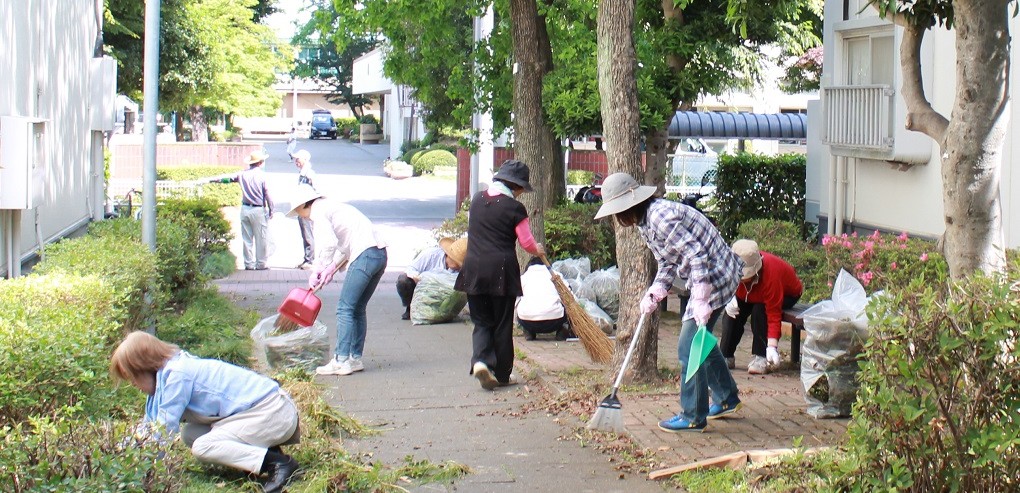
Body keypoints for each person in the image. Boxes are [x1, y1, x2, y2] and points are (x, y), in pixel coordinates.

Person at [593, 172, 743, 432]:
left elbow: (696, 255)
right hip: (707, 275)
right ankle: (727, 397)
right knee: (700, 341)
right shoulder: (645, 223)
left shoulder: (660, 217)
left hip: (715, 276)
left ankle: (693, 416)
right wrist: (656, 291)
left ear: (629, 206)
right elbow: (667, 261)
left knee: (689, 346)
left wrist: (701, 299)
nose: (616, 218)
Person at [109, 331, 300, 493]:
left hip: (273, 412)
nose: (133, 385)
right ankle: (263, 452)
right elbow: (149, 428)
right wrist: (119, 451)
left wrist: (141, 472)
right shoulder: (165, 377)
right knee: (191, 434)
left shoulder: (177, 376)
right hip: (256, 413)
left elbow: (163, 431)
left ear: (145, 367)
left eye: (133, 378)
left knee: (203, 446)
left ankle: (279, 464)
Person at [455, 159, 545, 390]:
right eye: (522, 188)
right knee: (502, 324)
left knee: (481, 321)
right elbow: (526, 242)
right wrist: (538, 249)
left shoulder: (477, 199)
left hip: (473, 269)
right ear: (516, 186)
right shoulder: (515, 208)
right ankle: (503, 374)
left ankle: (481, 362)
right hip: (501, 272)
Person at [286, 184, 388, 377]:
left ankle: (341, 361)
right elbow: (345, 246)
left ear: (303, 205)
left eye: (298, 212)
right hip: (379, 255)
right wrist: (330, 269)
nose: (300, 216)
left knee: (344, 308)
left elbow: (328, 244)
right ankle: (354, 358)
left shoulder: (319, 212)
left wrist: (319, 268)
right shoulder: (335, 208)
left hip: (364, 256)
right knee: (357, 308)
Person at [719, 239, 804, 374]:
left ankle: (761, 356)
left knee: (760, 309)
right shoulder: (729, 266)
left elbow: (773, 314)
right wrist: (728, 297)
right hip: (749, 293)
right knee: (732, 313)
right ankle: (725, 355)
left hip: (787, 294)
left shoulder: (771, 275)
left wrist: (772, 346)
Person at [214, 150, 273, 270]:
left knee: (247, 238)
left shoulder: (242, 175)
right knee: (261, 238)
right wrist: (271, 208)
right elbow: (267, 193)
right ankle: (261, 263)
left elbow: (227, 179)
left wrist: (214, 180)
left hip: (245, 208)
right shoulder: (263, 176)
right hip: (258, 210)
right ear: (260, 162)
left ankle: (248, 263)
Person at [396, 237, 467, 320]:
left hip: (442, 295)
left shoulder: (461, 270)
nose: (458, 266)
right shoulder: (431, 255)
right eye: (456, 262)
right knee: (403, 281)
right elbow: (410, 269)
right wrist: (417, 278)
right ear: (448, 255)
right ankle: (410, 307)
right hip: (421, 289)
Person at [516, 256, 573, 341]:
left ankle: (528, 331)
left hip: (527, 321)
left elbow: (515, 298)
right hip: (555, 321)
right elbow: (569, 294)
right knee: (568, 306)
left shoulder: (523, 278)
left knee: (519, 302)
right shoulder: (556, 275)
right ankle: (562, 330)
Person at [292, 150, 317, 270]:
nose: (296, 161)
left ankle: (310, 260)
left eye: (298, 159)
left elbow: (317, 191)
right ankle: (307, 259)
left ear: (305, 160)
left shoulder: (309, 174)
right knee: (305, 234)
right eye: (295, 159)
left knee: (308, 234)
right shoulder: (302, 174)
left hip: (307, 209)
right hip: (301, 208)